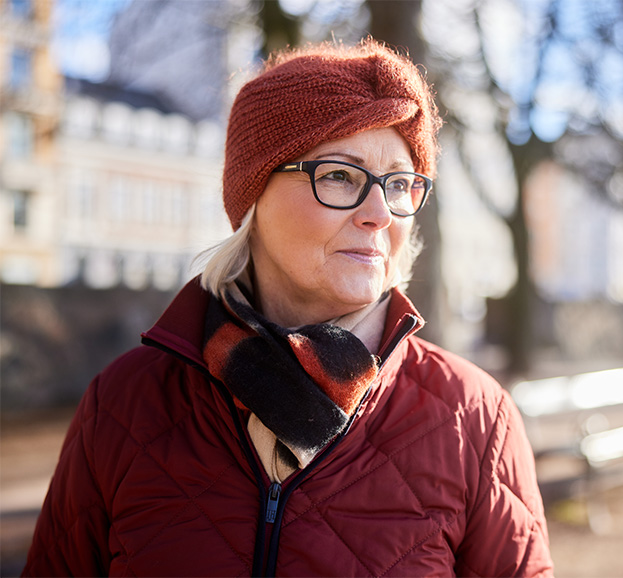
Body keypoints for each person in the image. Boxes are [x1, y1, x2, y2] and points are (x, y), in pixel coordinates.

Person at [23, 39, 553, 577]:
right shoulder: (125, 404)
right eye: (340, 175)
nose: (379, 213)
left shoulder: (473, 417)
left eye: (398, 183)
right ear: (254, 194)